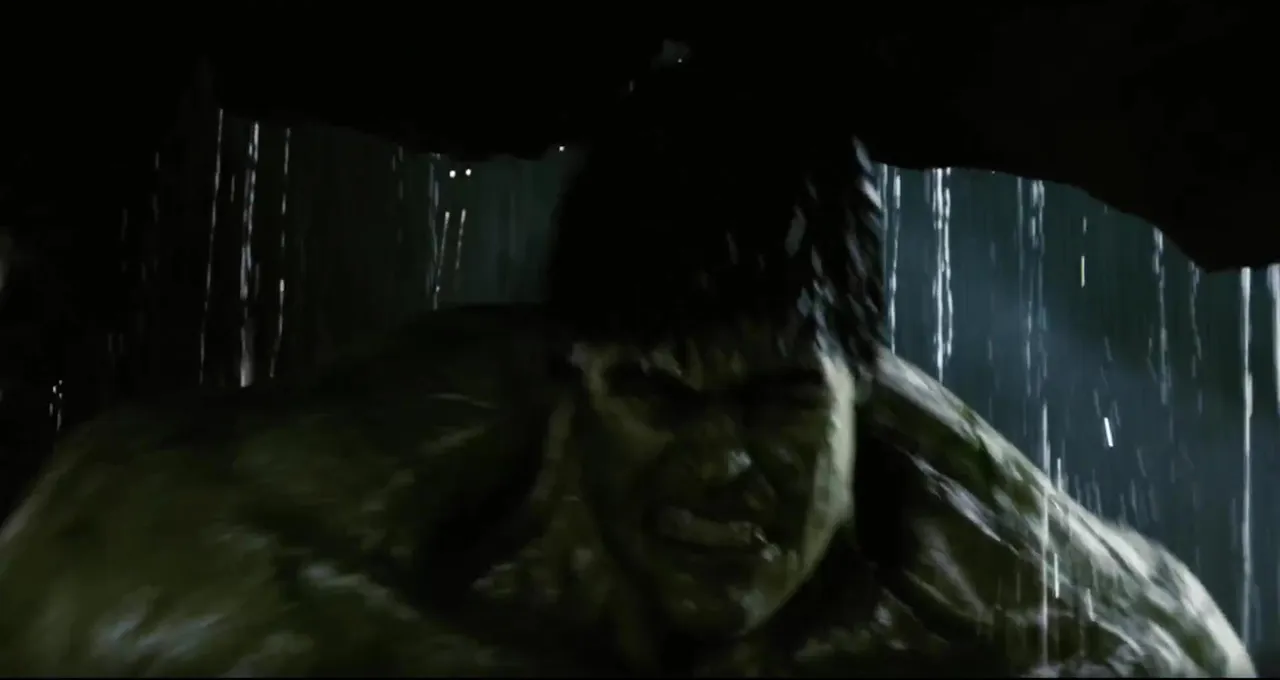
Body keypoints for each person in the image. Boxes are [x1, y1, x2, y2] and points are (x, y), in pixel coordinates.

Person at [0, 65, 1255, 676]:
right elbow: (74, 551)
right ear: (574, 393)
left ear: (860, 400)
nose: (724, 469)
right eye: (660, 401)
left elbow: (1190, 651)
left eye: (775, 405)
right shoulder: (372, 504)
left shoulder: (989, 572)